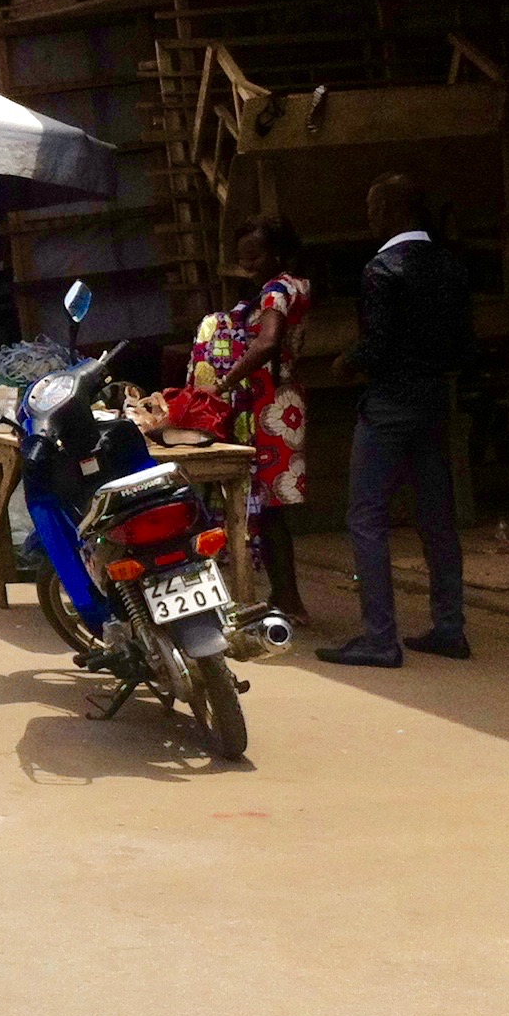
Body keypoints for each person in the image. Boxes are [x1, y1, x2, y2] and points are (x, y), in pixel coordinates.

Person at [321, 173, 474, 667]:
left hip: (389, 404)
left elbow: (379, 342)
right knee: (437, 518)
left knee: (366, 518)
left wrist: (348, 361)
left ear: (390, 210)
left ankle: (380, 638)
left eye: (371, 206)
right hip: (433, 400)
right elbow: (463, 343)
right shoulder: (451, 266)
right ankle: (450, 628)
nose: (367, 216)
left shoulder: (381, 269)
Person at [188, 217, 313, 623]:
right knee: (273, 507)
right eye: (243, 260)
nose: (249, 266)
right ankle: (285, 596)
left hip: (271, 406)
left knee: (269, 506)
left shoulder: (276, 291)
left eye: (255, 256)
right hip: (284, 401)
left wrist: (223, 382)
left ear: (277, 253)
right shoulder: (297, 285)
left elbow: (268, 342)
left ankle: (289, 600)